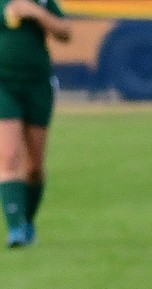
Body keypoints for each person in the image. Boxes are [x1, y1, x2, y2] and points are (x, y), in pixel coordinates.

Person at [0, 0, 70, 249]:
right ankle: (15, 227)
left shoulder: (42, 2)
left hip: (37, 85)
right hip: (3, 85)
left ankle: (27, 220)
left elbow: (65, 33)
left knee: (34, 167)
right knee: (8, 156)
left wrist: (37, 14)